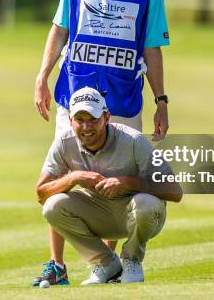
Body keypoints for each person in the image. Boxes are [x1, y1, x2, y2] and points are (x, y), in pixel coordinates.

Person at [33, 0, 171, 286]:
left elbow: (152, 48)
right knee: (62, 178)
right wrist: (42, 75)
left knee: (117, 180)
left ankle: (107, 265)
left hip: (123, 101)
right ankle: (57, 266)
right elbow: (59, 30)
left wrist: (161, 100)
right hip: (75, 99)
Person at [36, 87, 182, 284]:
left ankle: (132, 260)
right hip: (98, 212)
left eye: (93, 119)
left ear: (106, 117)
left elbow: (174, 190)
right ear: (70, 120)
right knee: (52, 206)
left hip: (133, 209)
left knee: (146, 203)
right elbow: (41, 193)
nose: (86, 127)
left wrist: (129, 183)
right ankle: (106, 264)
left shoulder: (133, 141)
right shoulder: (64, 143)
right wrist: (74, 178)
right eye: (80, 119)